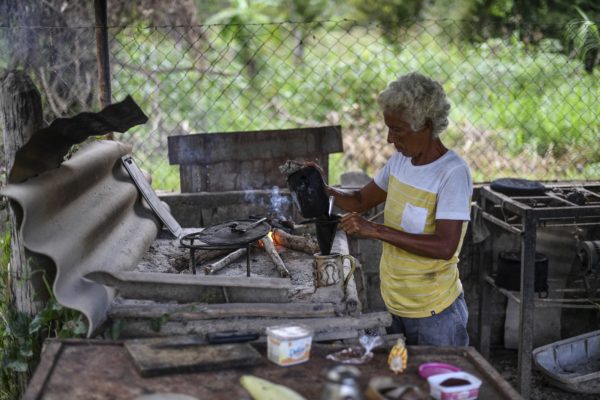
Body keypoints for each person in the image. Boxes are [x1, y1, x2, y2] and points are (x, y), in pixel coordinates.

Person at [322, 72, 472, 346]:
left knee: (436, 384)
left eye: (398, 130)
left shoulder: (452, 173)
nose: (390, 139)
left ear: (425, 126)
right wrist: (323, 190)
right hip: (396, 304)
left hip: (435, 312)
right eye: (388, 128)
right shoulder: (401, 162)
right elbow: (359, 201)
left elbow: (444, 246)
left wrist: (376, 230)